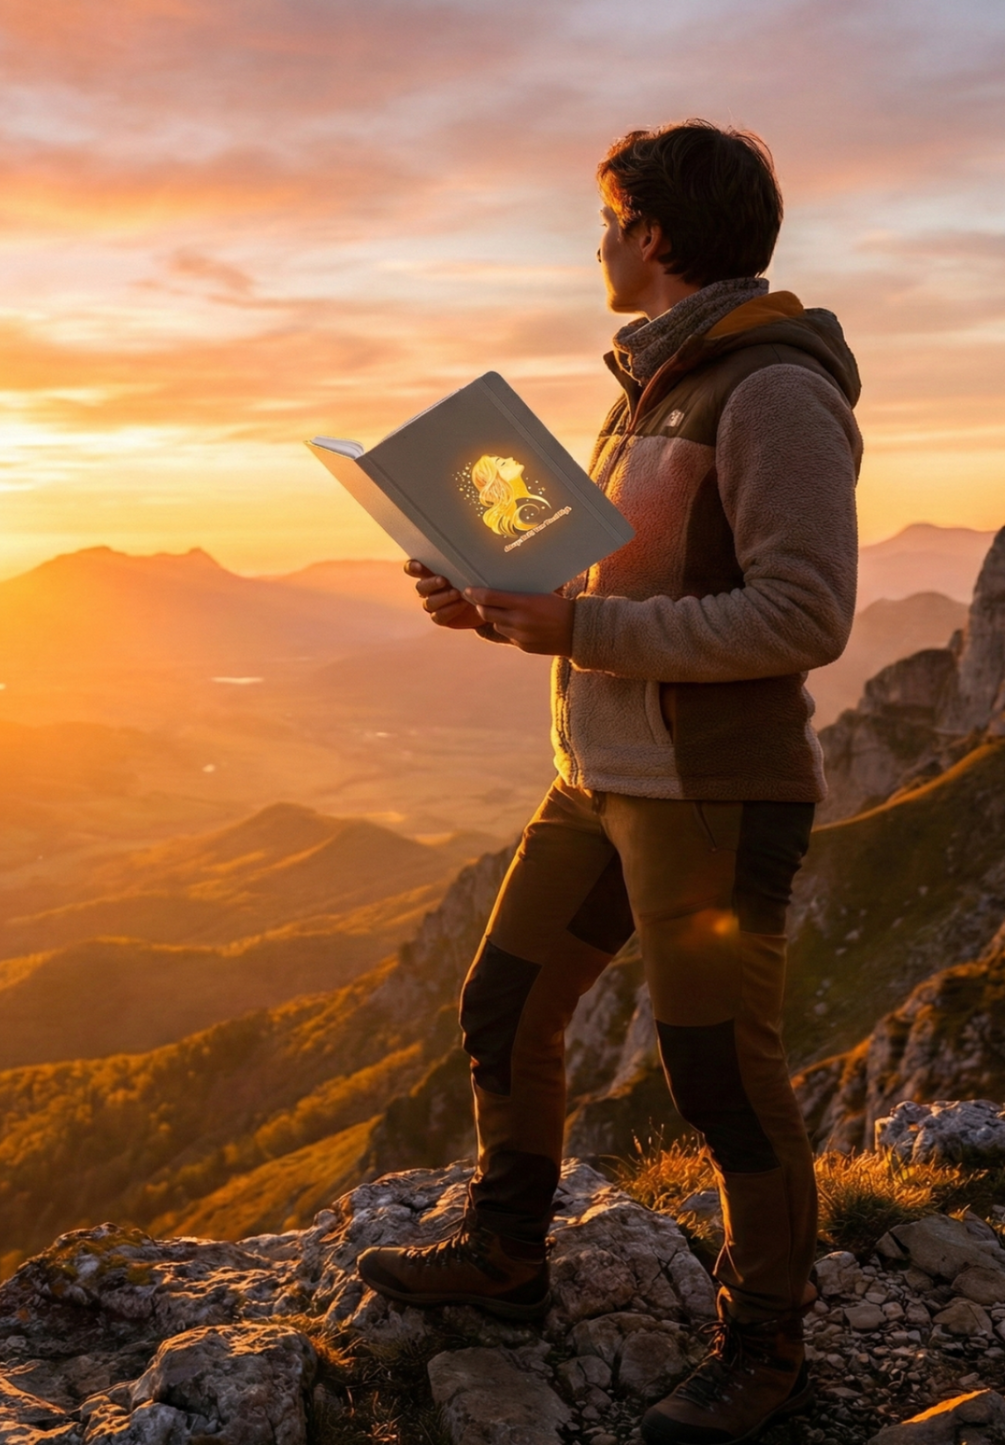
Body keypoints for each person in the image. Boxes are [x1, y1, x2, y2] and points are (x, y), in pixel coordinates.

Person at [356, 120, 861, 1445]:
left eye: (605, 221)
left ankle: (766, 1343)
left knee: (717, 1072)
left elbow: (804, 615)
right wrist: (492, 601)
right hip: (601, 777)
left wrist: (575, 629)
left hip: (711, 793)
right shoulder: (652, 387)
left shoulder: (774, 394)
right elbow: (616, 583)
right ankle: (507, 1258)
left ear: (650, 234)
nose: (596, 245)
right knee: (502, 1004)